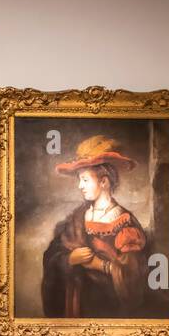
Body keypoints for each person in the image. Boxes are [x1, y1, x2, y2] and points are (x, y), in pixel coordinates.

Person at [41, 136, 151, 319]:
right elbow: (52, 254)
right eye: (79, 180)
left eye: (84, 180)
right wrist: (69, 259)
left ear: (104, 182)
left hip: (109, 310)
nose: (79, 186)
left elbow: (134, 277)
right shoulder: (76, 218)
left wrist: (102, 265)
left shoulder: (125, 223)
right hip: (76, 306)